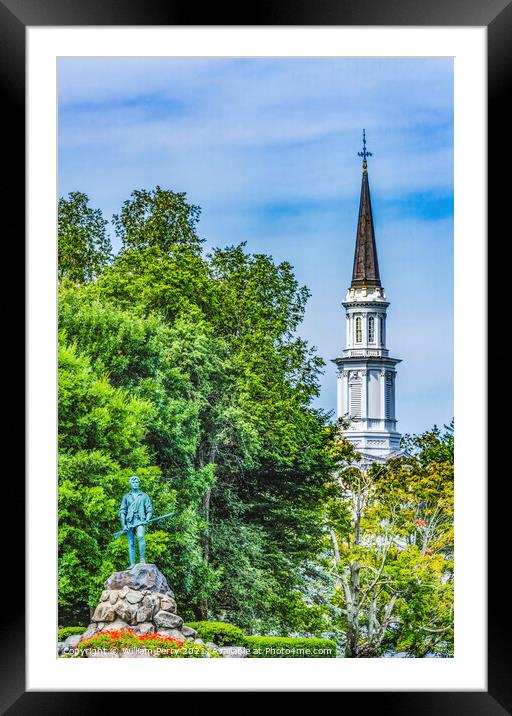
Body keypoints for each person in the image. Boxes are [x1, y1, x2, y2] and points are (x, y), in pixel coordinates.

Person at [119, 475, 153, 569]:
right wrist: (124, 525)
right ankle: (132, 563)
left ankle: (142, 559)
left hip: (140, 520)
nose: (135, 484)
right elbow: (122, 511)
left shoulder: (144, 496)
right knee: (131, 542)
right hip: (130, 522)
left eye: (137, 482)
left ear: (139, 483)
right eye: (133, 482)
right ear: (130, 484)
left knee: (141, 537)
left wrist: (147, 518)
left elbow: (149, 510)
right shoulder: (126, 497)